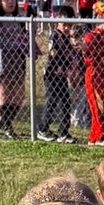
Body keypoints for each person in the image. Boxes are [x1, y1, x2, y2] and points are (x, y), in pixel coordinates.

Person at [0, 0, 31, 139]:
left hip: (17, 62)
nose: (11, 2)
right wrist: (15, 44)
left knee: (19, 95)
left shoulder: (18, 19)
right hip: (2, 61)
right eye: (7, 0)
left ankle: (4, 121)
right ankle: (7, 128)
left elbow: (24, 38)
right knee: (5, 94)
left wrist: (28, 45)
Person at [37, 5, 77, 143]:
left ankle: (63, 132)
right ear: (58, 21)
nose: (66, 28)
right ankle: (43, 129)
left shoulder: (67, 38)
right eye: (64, 25)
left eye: (69, 25)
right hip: (52, 74)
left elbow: (71, 54)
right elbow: (53, 52)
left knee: (66, 102)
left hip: (62, 75)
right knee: (52, 101)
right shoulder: (55, 35)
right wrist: (63, 59)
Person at [83, 1, 104, 146]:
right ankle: (100, 136)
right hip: (94, 75)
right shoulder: (91, 37)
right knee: (98, 106)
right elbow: (88, 56)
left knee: (103, 104)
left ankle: (95, 135)